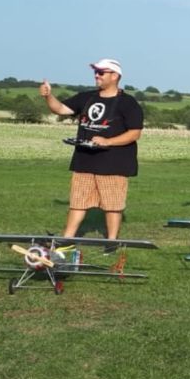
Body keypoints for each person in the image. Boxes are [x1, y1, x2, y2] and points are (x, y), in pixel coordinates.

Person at [39, 58, 143, 252]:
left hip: (113, 163)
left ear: (115, 76)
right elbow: (60, 109)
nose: (97, 75)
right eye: (95, 72)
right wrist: (48, 96)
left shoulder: (128, 103)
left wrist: (108, 141)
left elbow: (134, 133)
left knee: (112, 204)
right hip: (84, 160)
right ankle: (67, 239)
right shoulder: (87, 97)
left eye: (101, 72)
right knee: (77, 202)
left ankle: (111, 242)